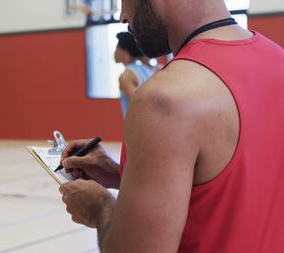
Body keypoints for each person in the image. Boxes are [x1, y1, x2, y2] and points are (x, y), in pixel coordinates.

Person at [59, 0, 284, 252]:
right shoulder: (278, 59)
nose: (122, 16)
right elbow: (236, 189)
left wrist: (100, 207)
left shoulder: (164, 98)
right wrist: (120, 174)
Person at [114, 32, 156, 116]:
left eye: (116, 48)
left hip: (141, 126)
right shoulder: (145, 69)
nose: (114, 52)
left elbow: (140, 106)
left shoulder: (126, 76)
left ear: (124, 51)